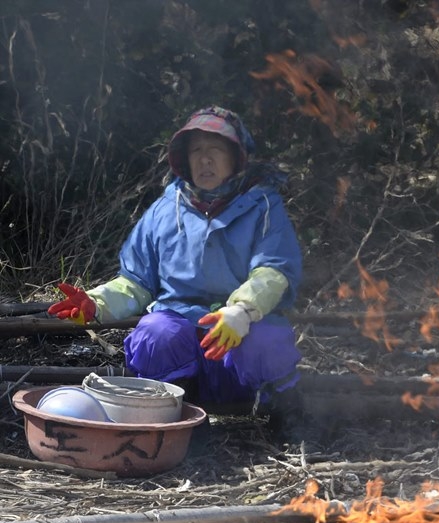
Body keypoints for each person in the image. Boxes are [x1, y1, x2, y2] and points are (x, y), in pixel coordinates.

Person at [48, 106, 303, 415]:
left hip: (241, 329)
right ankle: (181, 416)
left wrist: (242, 310)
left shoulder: (263, 205)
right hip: (181, 331)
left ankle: (280, 417)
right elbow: (136, 281)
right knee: (156, 333)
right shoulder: (164, 210)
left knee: (266, 339)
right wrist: (96, 303)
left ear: (236, 157)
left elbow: (273, 270)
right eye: (196, 150)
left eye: (215, 149)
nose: (205, 159)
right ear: (184, 158)